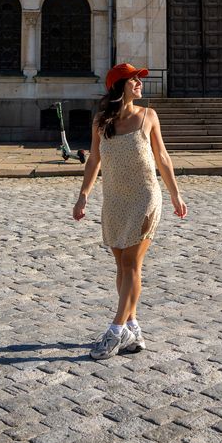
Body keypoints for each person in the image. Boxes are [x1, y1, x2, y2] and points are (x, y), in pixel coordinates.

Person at [72, 63, 188, 359]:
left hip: (145, 197)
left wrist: (175, 194)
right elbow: (94, 160)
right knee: (121, 266)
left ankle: (115, 331)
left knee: (132, 265)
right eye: (133, 80)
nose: (139, 83)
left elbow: (162, 157)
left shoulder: (148, 116)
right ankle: (133, 329)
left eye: (139, 80)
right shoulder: (101, 122)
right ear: (119, 85)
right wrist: (83, 196)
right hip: (114, 200)